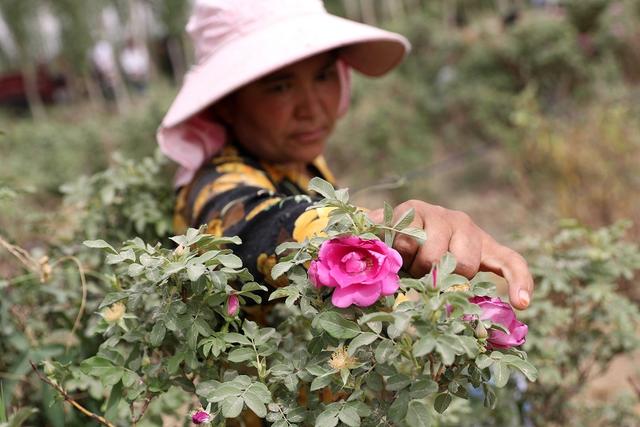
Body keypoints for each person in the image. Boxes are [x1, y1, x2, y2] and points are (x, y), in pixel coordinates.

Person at [157, 0, 533, 314]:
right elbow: (257, 227)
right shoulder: (212, 186)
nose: (313, 108)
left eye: (323, 77)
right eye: (280, 86)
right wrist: (377, 231)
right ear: (225, 104)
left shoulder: (302, 162)